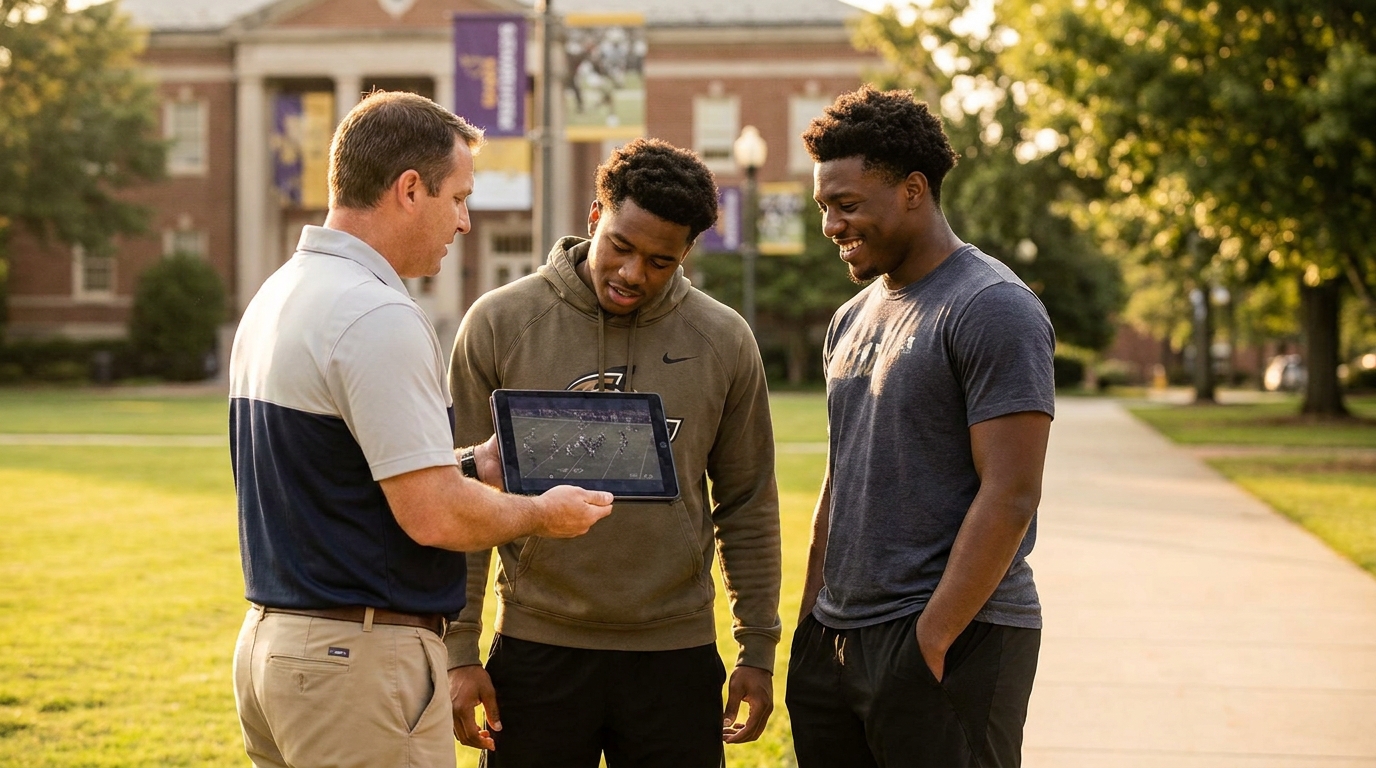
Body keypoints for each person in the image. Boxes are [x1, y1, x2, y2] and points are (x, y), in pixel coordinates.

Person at [228, 91, 613, 768]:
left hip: (277, 649)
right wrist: (542, 514)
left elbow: (340, 473)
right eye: (458, 198)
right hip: (358, 663)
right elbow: (432, 516)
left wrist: (470, 464)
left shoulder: (279, 294)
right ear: (410, 189)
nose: (465, 222)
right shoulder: (376, 313)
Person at [445, 138, 782, 767]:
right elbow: (461, 495)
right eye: (621, 248)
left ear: (686, 254)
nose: (632, 274)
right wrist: (460, 650)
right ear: (595, 217)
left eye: (659, 261)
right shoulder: (499, 323)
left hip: (674, 655)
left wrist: (757, 650)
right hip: (536, 647)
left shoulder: (725, 340)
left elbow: (748, 504)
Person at [785, 86, 1055, 767]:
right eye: (824, 206)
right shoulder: (851, 318)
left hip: (954, 635)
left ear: (913, 190)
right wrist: (812, 622)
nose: (831, 226)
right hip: (839, 637)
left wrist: (930, 640)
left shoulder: (991, 306)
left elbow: (1012, 494)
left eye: (847, 205)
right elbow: (840, 477)